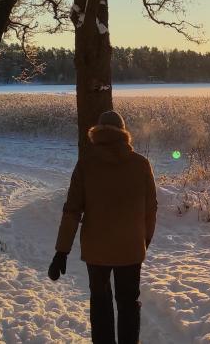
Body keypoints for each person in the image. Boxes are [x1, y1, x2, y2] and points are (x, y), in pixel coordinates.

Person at [48, 110, 158, 344]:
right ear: (124, 134)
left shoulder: (86, 164)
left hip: (96, 250)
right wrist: (143, 241)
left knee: (100, 302)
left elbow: (72, 210)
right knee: (129, 304)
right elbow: (151, 209)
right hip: (130, 248)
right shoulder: (141, 164)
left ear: (97, 134)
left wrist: (62, 251)